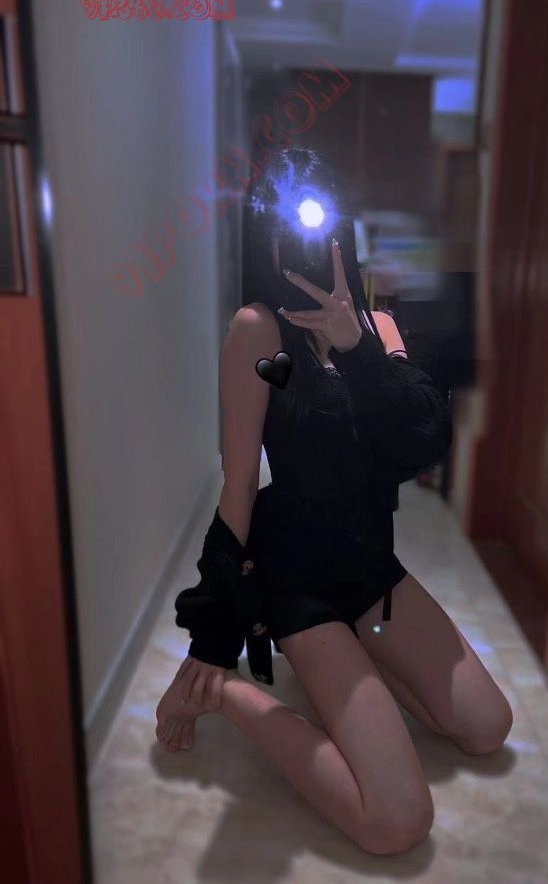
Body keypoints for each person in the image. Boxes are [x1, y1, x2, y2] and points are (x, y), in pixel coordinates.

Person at [155, 146, 513, 855]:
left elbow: (420, 445)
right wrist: (214, 643)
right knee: (396, 820)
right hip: (299, 579)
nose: (305, 245)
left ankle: (361, 657)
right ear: (267, 238)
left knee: (487, 726)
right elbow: (238, 483)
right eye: (286, 228)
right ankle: (228, 695)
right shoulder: (259, 331)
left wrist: (356, 347)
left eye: (319, 225)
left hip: (372, 571)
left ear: (342, 235)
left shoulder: (379, 331)